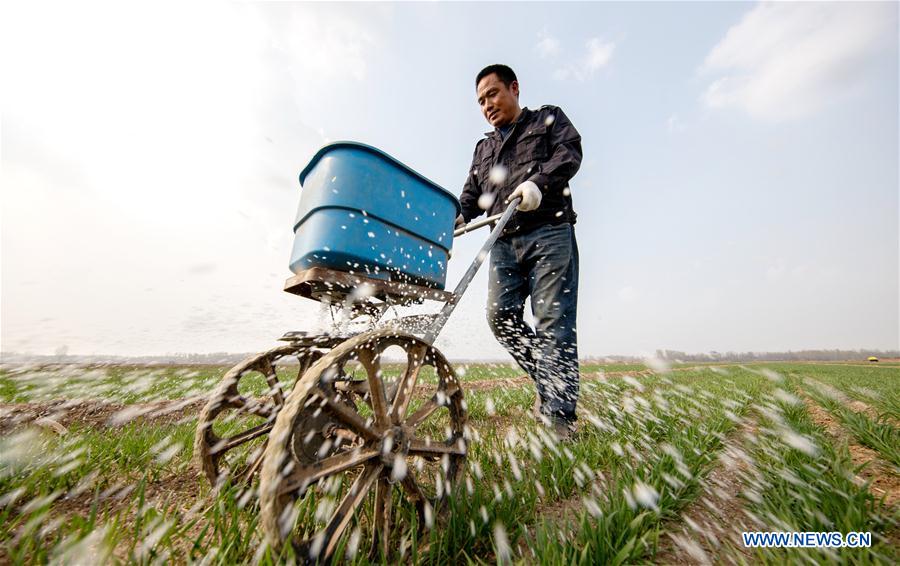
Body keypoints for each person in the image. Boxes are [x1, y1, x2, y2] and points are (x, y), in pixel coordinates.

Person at [457, 64, 582, 440]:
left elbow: (570, 152)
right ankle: (549, 381)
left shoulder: (547, 120)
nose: (487, 105)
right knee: (500, 318)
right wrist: (455, 218)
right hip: (504, 242)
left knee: (552, 324)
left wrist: (537, 184)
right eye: (480, 101)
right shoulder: (484, 148)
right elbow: (471, 196)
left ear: (514, 88)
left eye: (492, 94)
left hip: (549, 231)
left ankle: (559, 419)